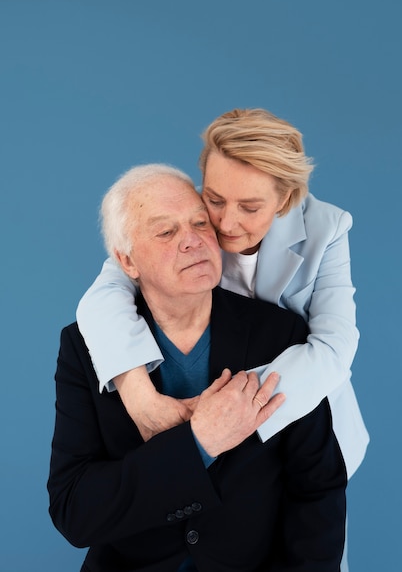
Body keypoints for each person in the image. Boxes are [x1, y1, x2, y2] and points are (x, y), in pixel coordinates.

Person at [48, 164, 347, 571]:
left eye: (200, 223)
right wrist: (197, 444)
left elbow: (317, 490)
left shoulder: (278, 335)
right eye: (166, 232)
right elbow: (75, 511)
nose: (192, 241)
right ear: (127, 261)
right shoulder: (85, 348)